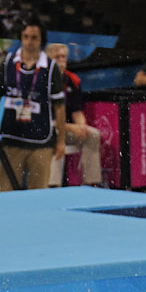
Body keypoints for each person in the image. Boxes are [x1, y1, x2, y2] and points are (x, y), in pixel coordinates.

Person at [0, 18, 66, 191]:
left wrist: (61, 141)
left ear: (41, 40)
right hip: (12, 139)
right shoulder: (8, 63)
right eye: (26, 37)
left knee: (37, 196)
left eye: (34, 37)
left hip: (41, 142)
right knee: (6, 193)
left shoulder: (50, 68)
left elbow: (59, 107)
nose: (29, 41)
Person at [45, 43, 101, 187]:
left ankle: (91, 183)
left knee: (92, 134)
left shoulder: (72, 80)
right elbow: (46, 119)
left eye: (63, 57)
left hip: (67, 127)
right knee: (57, 136)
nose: (61, 60)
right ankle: (53, 186)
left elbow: (77, 111)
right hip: (46, 128)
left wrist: (81, 126)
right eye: (57, 57)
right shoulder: (41, 80)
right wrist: (71, 127)